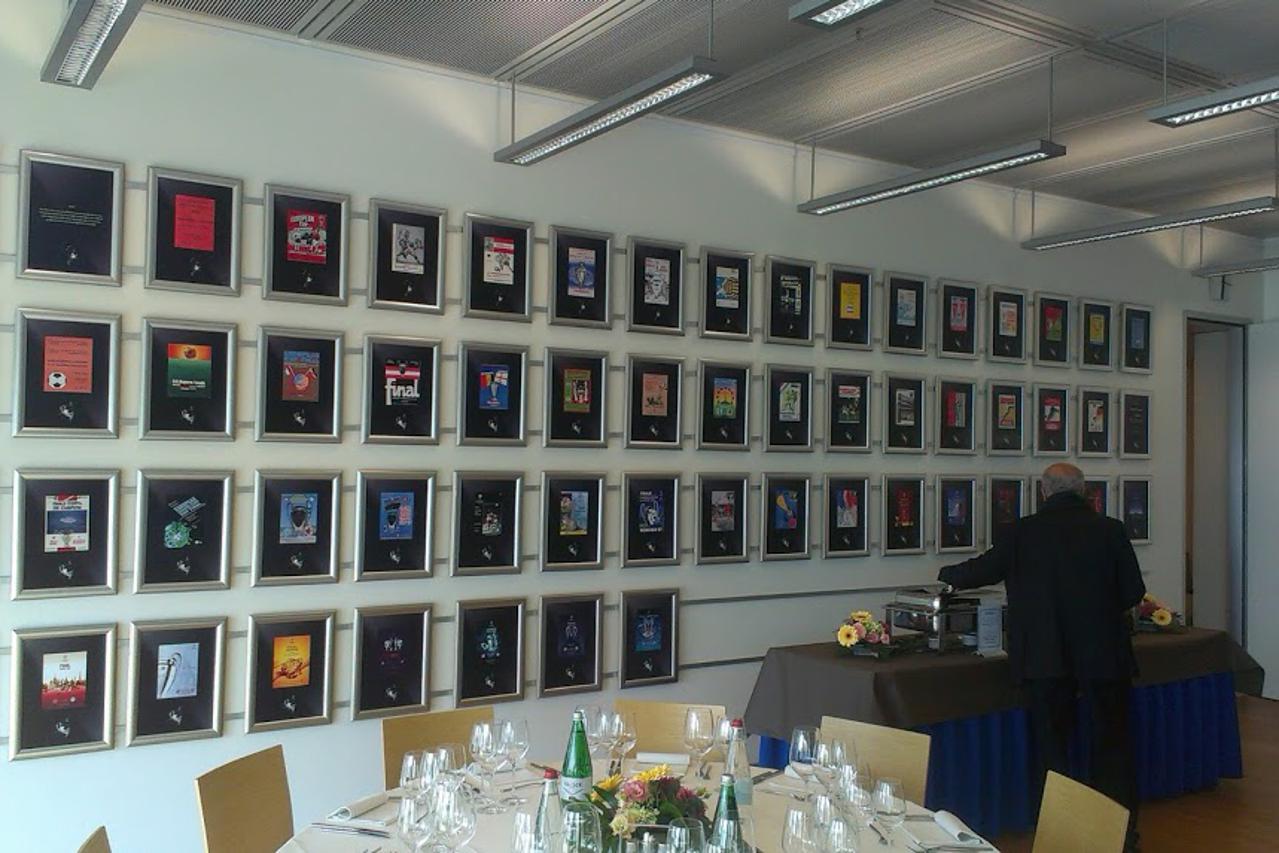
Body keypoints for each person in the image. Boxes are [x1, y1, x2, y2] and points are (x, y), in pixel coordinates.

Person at [938, 462, 1146, 851]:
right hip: (1103, 656)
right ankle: (1120, 836)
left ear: (1043, 491)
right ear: (1084, 491)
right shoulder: (1111, 530)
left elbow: (982, 571)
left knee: (1053, 751)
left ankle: (1061, 835)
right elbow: (1133, 591)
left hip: (1045, 657)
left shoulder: (1022, 531)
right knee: (1113, 749)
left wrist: (946, 573)